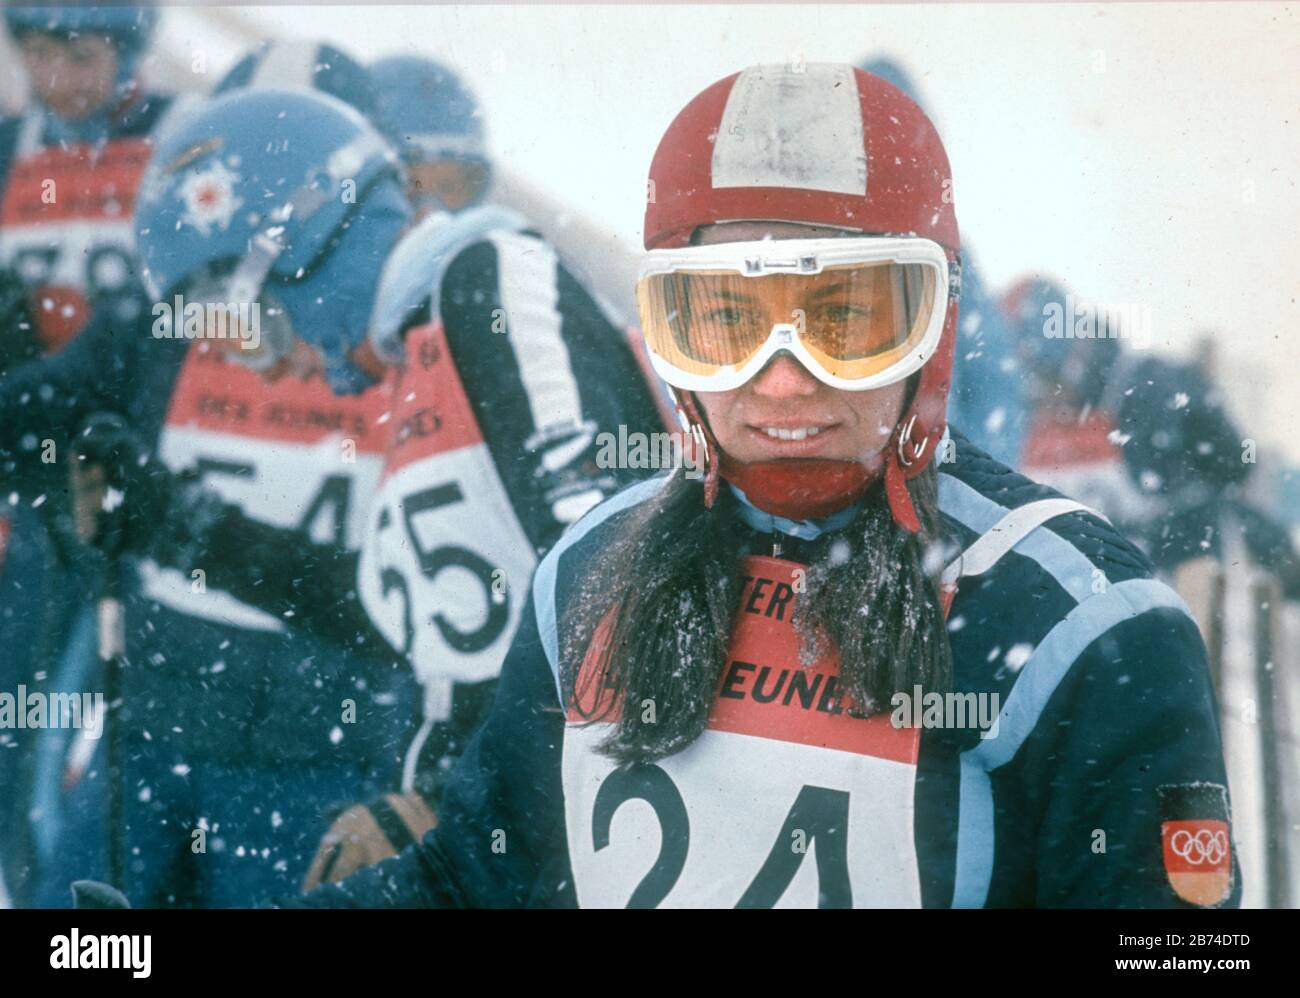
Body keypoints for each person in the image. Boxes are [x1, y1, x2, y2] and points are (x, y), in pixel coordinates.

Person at [282, 63, 1241, 909]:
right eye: (724, 322)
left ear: (933, 328)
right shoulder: (587, 571)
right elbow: (475, 881)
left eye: (849, 319)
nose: (783, 380)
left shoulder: (1085, 627)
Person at [116, 83, 666, 895]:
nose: (275, 368)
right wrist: (181, 526)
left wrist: (443, 803)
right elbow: (406, 617)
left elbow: (620, 595)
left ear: (313, 242)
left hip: (553, 841)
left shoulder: (491, 280)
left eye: (253, 326)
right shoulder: (418, 361)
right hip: (480, 841)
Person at [0, 4, 176, 906]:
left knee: (110, 729)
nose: (58, 76)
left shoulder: (179, 138)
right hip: (30, 481)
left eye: (81, 53)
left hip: (131, 482)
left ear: (127, 50)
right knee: (16, 716)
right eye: (37, 53)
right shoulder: (10, 146)